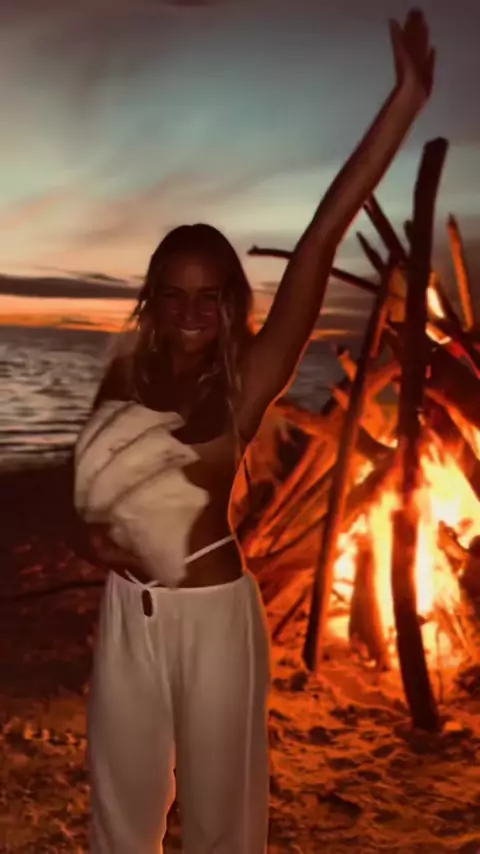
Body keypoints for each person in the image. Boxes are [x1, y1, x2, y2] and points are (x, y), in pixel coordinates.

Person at [75, 11, 435, 853]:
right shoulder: (124, 377)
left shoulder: (249, 378)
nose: (192, 311)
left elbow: (320, 237)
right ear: (154, 300)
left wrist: (405, 103)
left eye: (210, 295)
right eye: (175, 294)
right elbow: (92, 493)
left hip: (212, 619)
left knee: (221, 821)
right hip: (127, 611)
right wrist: (87, 539)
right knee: (118, 815)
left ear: (229, 301)